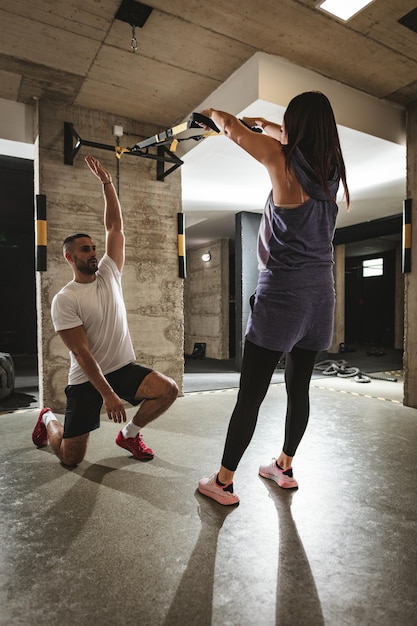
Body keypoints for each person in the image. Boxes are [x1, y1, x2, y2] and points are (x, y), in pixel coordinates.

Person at [197, 91, 350, 505]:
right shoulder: (330, 169)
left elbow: (229, 125)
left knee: (251, 394)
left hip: (284, 294)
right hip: (322, 296)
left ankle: (224, 482)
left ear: (296, 126)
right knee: (299, 388)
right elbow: (285, 136)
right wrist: (266, 123)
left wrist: (208, 114)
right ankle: (283, 466)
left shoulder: (281, 162)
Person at [32, 155, 178, 467]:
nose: (94, 253)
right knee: (71, 458)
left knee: (168, 390)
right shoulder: (65, 299)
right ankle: (47, 420)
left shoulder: (110, 272)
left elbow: (114, 226)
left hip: (121, 367)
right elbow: (83, 355)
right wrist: (109, 395)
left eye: (94, 247)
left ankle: (129, 434)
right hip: (87, 378)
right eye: (85, 249)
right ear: (70, 257)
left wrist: (107, 184)